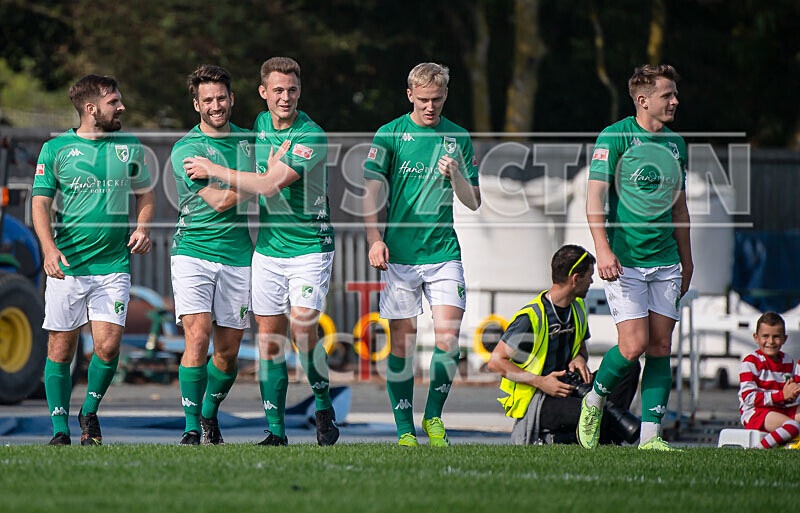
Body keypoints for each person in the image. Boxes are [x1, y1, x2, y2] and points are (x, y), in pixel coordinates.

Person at [183, 57, 338, 446]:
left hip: (309, 247)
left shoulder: (312, 136)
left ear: (300, 92)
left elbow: (268, 185)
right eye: (278, 90)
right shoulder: (260, 125)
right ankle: (276, 432)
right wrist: (255, 175)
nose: (285, 97)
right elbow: (256, 180)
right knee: (269, 342)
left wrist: (215, 170)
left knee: (303, 329)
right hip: (268, 250)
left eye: (292, 90)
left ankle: (322, 405)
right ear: (263, 92)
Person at [362, 62, 481, 447]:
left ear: (446, 95)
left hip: (444, 254)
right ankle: (404, 429)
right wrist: (374, 239)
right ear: (410, 95)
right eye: (424, 100)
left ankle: (433, 417)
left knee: (449, 341)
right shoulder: (390, 134)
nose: (431, 107)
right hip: (399, 257)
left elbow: (474, 201)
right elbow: (370, 192)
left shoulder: (458, 137)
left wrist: (457, 175)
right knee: (402, 345)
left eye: (438, 100)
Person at [32, 74, 154, 446]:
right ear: (91, 108)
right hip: (67, 266)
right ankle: (59, 429)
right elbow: (39, 203)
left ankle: (89, 412)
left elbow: (145, 195)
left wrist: (143, 227)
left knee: (109, 346)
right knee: (60, 348)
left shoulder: (130, 147)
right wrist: (49, 249)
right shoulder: (56, 149)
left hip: (113, 265)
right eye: (113, 101)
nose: (121, 107)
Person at [579, 64, 692, 451]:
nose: (675, 101)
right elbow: (594, 199)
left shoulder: (677, 145)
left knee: (660, 347)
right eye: (667, 95)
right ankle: (594, 399)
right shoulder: (615, 137)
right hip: (625, 261)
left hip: (666, 261)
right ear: (643, 100)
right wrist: (603, 249)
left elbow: (680, 208)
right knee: (632, 346)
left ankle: (650, 437)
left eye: (675, 94)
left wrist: (687, 261)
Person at [169, 65, 255, 445]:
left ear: (231, 98)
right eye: (208, 100)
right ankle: (191, 428)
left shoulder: (251, 141)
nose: (216, 105)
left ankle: (208, 413)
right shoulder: (186, 150)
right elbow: (219, 201)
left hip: (238, 255)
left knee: (228, 353)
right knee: (198, 335)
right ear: (196, 105)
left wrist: (265, 178)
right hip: (193, 252)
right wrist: (263, 182)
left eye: (221, 98)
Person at [488, 245, 640, 445]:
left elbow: (581, 348)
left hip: (573, 388)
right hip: (540, 397)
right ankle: (588, 434)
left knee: (628, 366)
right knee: (593, 413)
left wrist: (579, 358)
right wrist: (540, 382)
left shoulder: (577, 307)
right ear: (575, 279)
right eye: (589, 276)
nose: (591, 282)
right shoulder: (531, 317)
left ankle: (604, 434)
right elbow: (496, 362)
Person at [738, 312, 800, 449]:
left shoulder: (788, 361)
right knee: (792, 426)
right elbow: (748, 398)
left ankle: (790, 446)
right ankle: (758, 450)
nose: (771, 342)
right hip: (755, 413)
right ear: (756, 337)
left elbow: (787, 396)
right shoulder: (750, 362)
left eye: (776, 337)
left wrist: (793, 394)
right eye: (765, 336)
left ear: (784, 339)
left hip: (779, 408)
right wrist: (782, 395)